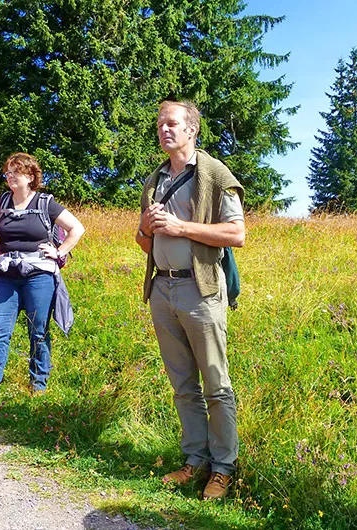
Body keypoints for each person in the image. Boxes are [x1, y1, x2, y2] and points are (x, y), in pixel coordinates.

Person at [136, 100, 245, 500]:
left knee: (216, 384)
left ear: (192, 130)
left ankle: (223, 467)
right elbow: (142, 240)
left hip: (201, 290)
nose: (164, 129)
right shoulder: (155, 179)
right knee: (183, 385)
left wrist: (181, 227)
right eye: (160, 124)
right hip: (161, 290)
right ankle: (194, 460)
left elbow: (236, 235)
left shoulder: (214, 174)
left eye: (172, 123)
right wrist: (147, 228)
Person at [0, 152, 85, 407]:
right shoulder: (1, 203)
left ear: (30, 176)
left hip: (39, 275)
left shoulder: (46, 203)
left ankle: (39, 385)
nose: (11, 177)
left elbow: (77, 228)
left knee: (38, 331)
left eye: (16, 172)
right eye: (8, 172)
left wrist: (59, 252)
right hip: (6, 275)